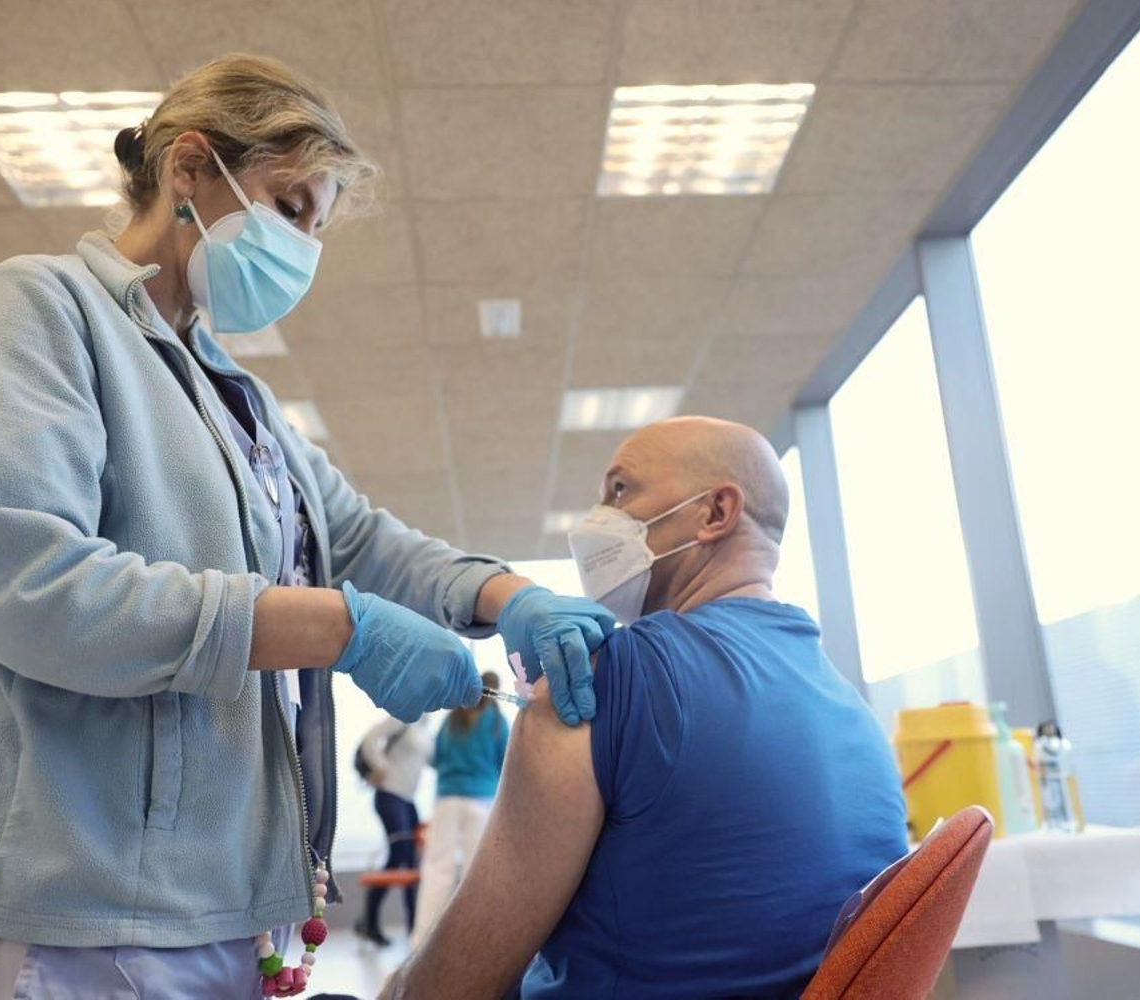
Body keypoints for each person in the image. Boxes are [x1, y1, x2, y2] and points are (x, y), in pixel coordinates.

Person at [0, 53, 614, 1000]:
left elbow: (357, 539)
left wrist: (509, 596)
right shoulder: (43, 307)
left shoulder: (238, 395)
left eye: (317, 224)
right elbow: (26, 583)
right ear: (189, 168)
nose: (302, 242)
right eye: (288, 204)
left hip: (201, 895)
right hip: (56, 891)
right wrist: (341, 629)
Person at [385, 416, 910, 1000]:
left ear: (715, 513)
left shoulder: (602, 677)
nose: (594, 522)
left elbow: (449, 987)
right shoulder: (857, 716)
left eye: (619, 491)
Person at [409, 672, 511, 949]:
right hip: (481, 801)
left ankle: (420, 943)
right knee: (473, 872)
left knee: (436, 870)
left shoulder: (452, 719)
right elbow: (506, 763)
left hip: (447, 799)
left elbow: (437, 756)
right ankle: (474, 943)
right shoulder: (498, 723)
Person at [354, 713, 434, 947]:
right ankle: (369, 922)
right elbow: (371, 737)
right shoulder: (405, 716)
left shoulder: (426, 726)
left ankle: (413, 928)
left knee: (411, 860)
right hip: (389, 794)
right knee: (399, 854)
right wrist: (380, 767)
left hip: (408, 799)